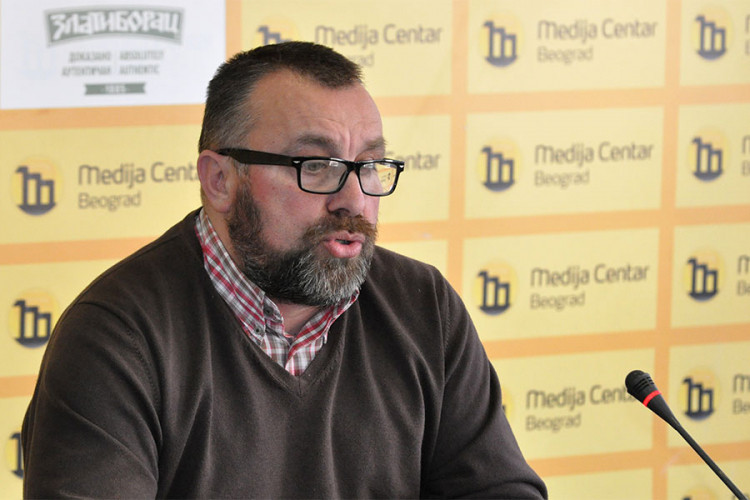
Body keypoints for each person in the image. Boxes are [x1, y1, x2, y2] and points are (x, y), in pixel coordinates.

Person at [22, 41, 547, 499]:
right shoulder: (115, 337)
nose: (354, 200)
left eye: (369, 166)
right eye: (315, 166)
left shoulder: (423, 304)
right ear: (220, 180)